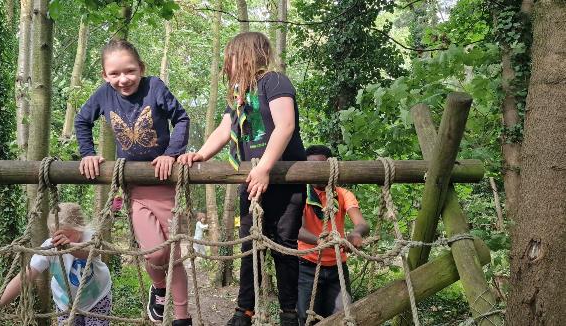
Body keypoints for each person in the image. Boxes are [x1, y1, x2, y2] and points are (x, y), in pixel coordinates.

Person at [178, 32, 305, 326]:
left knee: (283, 244)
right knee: (250, 244)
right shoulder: (239, 94)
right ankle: (243, 311)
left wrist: (264, 168)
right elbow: (225, 130)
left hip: (284, 179)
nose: (227, 63)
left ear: (248, 55)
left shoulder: (274, 82)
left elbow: (285, 126)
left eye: (231, 57)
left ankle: (289, 313)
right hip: (252, 182)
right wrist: (201, 155)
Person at [74, 39, 192, 326]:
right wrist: (88, 154)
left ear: (141, 68)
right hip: (135, 189)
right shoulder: (104, 95)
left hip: (165, 184)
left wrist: (170, 154)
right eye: (114, 74)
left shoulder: (155, 87)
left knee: (174, 253)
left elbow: (182, 119)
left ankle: (182, 316)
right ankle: (159, 288)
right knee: (156, 251)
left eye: (129, 71)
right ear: (105, 75)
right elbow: (81, 121)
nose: (123, 79)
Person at [0, 203, 112, 326]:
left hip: (97, 299)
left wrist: (70, 245)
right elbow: (27, 274)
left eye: (65, 235)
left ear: (80, 229)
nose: (57, 240)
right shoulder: (50, 246)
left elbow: (90, 252)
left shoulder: (90, 238)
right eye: (53, 233)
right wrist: (1, 300)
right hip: (66, 303)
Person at [296, 145, 370, 325]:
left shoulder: (342, 194)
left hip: (338, 267)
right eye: (311, 167)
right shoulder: (300, 195)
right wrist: (322, 241)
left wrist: (355, 234)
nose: (316, 172)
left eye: (320, 167)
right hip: (307, 266)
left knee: (343, 317)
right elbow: (296, 229)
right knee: (307, 318)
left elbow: (362, 223)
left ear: (330, 166)